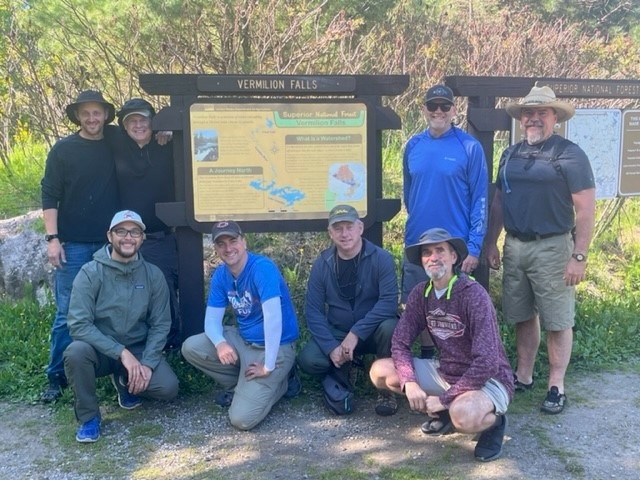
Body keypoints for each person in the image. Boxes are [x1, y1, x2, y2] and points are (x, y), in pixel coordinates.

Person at [485, 85, 596, 415]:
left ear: (555, 118)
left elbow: (586, 209)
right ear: (521, 119)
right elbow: (500, 200)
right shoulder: (510, 154)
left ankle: (556, 385)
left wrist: (579, 255)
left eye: (541, 113)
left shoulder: (570, 154)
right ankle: (524, 375)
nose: (533, 119)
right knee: (521, 314)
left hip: (553, 247)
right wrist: (492, 241)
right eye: (528, 114)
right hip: (515, 246)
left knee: (557, 319)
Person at [370, 228, 514, 462]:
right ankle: (448, 409)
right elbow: (400, 341)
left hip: (489, 380)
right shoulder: (420, 294)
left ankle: (494, 423)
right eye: (427, 252)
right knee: (380, 372)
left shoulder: (473, 295)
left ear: (454, 257)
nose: (433, 257)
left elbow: (487, 362)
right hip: (447, 372)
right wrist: (410, 382)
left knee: (463, 417)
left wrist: (445, 399)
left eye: (440, 251)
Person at [63, 210, 179, 443]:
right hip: (101, 350)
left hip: (138, 347)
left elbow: (161, 323)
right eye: (121, 231)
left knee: (168, 388)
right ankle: (89, 417)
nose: (128, 237)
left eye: (135, 232)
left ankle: (125, 381)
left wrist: (147, 362)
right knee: (75, 353)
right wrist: (120, 353)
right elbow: (78, 325)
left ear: (142, 238)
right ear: (110, 236)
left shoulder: (153, 275)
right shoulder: (90, 273)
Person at [40, 90, 120, 402]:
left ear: (105, 115)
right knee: (67, 313)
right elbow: (50, 194)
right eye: (85, 113)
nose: (91, 118)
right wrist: (52, 239)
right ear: (77, 116)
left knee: (111, 310)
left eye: (96, 113)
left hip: (108, 244)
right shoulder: (63, 150)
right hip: (71, 245)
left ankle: (114, 371)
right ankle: (56, 377)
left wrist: (167, 130)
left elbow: (144, 130)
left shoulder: (116, 142)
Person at [181, 221, 299, 430]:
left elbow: (273, 319)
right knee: (192, 346)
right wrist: (220, 343)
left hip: (274, 347)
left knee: (241, 419)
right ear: (216, 249)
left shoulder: (262, 268)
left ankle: (281, 381)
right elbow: (211, 320)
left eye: (233, 241)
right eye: (221, 244)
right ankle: (243, 387)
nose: (228, 248)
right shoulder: (221, 274)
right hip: (243, 341)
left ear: (244, 242)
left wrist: (268, 366)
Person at [297, 205, 399, 416]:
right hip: (338, 330)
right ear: (330, 232)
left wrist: (356, 333)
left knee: (390, 326)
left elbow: (388, 302)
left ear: (360, 228)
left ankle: (385, 388)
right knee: (309, 359)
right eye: (338, 228)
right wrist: (330, 346)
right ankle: (344, 367)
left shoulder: (382, 258)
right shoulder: (322, 264)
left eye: (349, 227)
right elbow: (314, 311)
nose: (345, 234)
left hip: (371, 331)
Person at [401, 84, 488, 303]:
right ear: (424, 109)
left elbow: (480, 199)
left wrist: (474, 247)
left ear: (453, 110)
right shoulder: (413, 146)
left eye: (444, 106)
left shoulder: (469, 147)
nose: (438, 111)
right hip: (417, 245)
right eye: (432, 105)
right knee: (415, 313)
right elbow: (410, 194)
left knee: (454, 319)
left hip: (454, 248)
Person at [113, 98, 180, 350]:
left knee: (163, 289)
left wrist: (173, 129)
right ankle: (136, 342)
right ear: (124, 125)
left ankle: (171, 342)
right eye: (132, 121)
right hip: (126, 237)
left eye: (144, 119)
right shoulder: (115, 144)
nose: (138, 125)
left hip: (160, 235)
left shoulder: (169, 144)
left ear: (153, 122)